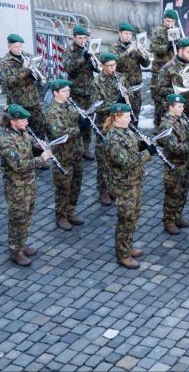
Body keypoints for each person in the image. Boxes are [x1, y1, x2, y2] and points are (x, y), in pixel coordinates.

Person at [0, 104, 52, 267]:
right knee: (17, 218)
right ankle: (15, 250)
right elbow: (19, 165)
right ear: (13, 122)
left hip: (29, 183)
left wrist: (39, 146)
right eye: (23, 120)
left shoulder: (23, 132)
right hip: (16, 186)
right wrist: (41, 159)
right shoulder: (6, 141)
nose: (27, 122)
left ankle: (21, 243)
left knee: (27, 215)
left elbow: (29, 146)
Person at [103, 102, 152, 269]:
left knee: (134, 215)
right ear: (117, 117)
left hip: (134, 181)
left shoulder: (126, 130)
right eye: (127, 116)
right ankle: (122, 254)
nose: (130, 118)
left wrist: (142, 145)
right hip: (123, 184)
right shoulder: (113, 138)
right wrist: (147, 153)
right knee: (126, 218)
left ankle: (127, 245)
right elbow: (126, 162)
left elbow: (132, 147)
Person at [45, 79, 84, 231]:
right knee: (63, 187)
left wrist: (83, 118)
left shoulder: (70, 104)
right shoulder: (52, 112)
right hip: (63, 156)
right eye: (65, 91)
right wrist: (79, 128)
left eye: (69, 91)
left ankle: (71, 210)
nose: (68, 93)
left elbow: (75, 119)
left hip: (76, 151)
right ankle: (60, 215)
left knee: (76, 184)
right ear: (56, 93)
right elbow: (58, 133)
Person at [156, 94, 189, 235]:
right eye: (179, 106)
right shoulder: (166, 125)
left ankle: (177, 217)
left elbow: (186, 135)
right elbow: (175, 148)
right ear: (170, 107)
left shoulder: (181, 119)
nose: (182, 108)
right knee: (173, 194)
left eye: (182, 106)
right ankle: (168, 221)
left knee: (183, 192)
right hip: (174, 166)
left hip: (185, 164)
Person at [93, 53, 127, 206]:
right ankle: (103, 190)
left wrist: (126, 96)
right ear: (102, 66)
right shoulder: (96, 82)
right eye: (110, 66)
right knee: (103, 160)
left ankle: (113, 186)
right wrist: (116, 104)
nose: (113, 68)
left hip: (119, 123)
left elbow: (129, 92)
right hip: (103, 126)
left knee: (116, 157)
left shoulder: (120, 77)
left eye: (115, 65)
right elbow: (97, 106)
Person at [62, 25, 98, 160]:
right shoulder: (68, 51)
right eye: (80, 38)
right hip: (75, 93)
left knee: (88, 122)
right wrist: (83, 58)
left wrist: (94, 59)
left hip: (89, 91)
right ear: (74, 37)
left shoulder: (88, 50)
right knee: (76, 122)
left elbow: (97, 69)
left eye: (85, 38)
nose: (83, 41)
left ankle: (85, 148)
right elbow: (69, 69)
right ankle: (74, 148)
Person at [0, 33, 47, 136]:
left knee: (39, 128)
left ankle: (40, 150)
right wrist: (24, 70)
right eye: (16, 47)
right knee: (23, 132)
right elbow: (9, 82)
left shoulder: (28, 56)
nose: (19, 49)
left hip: (33, 101)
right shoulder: (5, 62)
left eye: (20, 46)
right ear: (9, 46)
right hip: (18, 103)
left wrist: (37, 71)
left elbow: (40, 73)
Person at [155, 38, 189, 130]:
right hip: (177, 114)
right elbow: (160, 90)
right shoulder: (168, 68)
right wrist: (178, 90)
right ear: (180, 51)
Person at [111, 22, 151, 121]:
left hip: (136, 87)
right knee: (122, 116)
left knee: (135, 115)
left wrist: (142, 52)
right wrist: (128, 51)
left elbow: (146, 64)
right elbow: (115, 64)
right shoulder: (113, 47)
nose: (128, 36)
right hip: (122, 88)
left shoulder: (135, 46)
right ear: (120, 33)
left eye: (130, 34)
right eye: (126, 33)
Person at [150, 10, 181, 128]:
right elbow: (153, 47)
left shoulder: (176, 31)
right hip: (159, 67)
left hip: (172, 68)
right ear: (164, 19)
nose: (169, 23)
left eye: (172, 21)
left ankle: (171, 123)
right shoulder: (158, 31)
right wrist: (166, 46)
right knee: (159, 98)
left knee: (171, 96)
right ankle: (157, 124)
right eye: (168, 21)